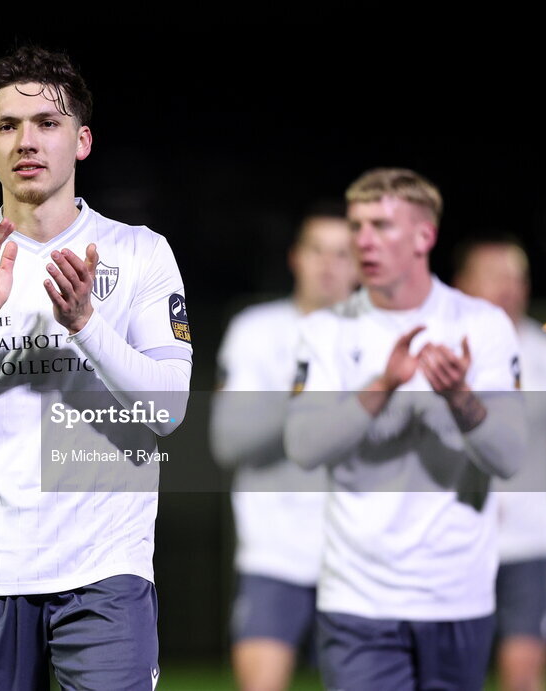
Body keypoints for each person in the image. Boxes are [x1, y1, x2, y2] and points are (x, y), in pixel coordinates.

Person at [0, 45, 192, 690]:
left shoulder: (140, 253)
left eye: (47, 124)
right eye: (7, 126)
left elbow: (167, 411)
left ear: (81, 141)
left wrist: (86, 324)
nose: (27, 140)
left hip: (107, 566)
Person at [284, 168, 526, 690]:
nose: (363, 241)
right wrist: (383, 386)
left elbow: (510, 458)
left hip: (457, 595)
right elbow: (302, 447)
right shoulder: (324, 331)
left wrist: (460, 398)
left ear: (424, 236)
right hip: (358, 598)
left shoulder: (482, 326)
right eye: (356, 225)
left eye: (381, 225)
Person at [210, 203, 356, 691]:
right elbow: (228, 441)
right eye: (318, 250)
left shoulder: (382, 338)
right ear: (296, 257)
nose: (329, 265)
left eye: (344, 253)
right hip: (275, 556)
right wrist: (303, 396)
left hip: (362, 557)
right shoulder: (256, 330)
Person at [454, 236, 546, 691]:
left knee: (524, 676)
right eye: (495, 276)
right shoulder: (439, 354)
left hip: (532, 545)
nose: (509, 287)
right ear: (463, 284)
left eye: (518, 276)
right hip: (455, 542)